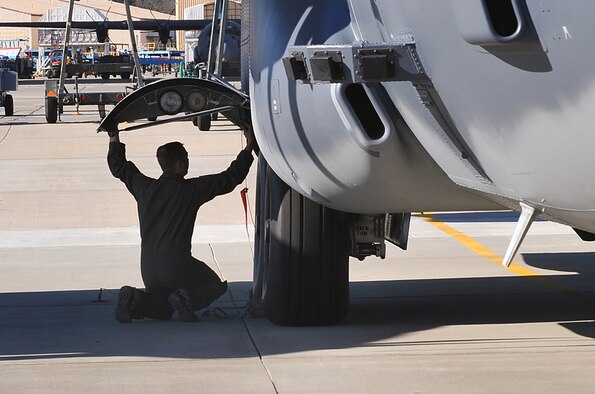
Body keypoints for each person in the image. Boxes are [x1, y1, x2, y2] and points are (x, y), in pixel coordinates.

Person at [107, 126, 255, 323]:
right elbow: (229, 178)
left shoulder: (144, 187)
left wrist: (113, 136)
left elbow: (119, 167)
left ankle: (135, 298)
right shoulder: (191, 190)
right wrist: (249, 147)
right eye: (186, 158)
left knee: (164, 310)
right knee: (214, 284)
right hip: (177, 266)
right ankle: (186, 297)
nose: (188, 162)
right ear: (178, 165)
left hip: (149, 269)